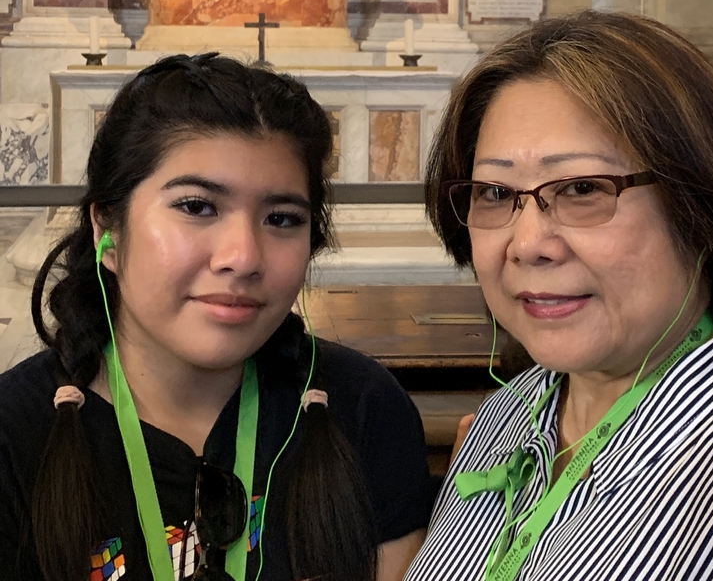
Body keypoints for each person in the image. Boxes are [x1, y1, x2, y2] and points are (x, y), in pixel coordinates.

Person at [0, 54, 434, 581]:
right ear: (106, 231)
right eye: (197, 207)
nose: (244, 257)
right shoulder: (16, 435)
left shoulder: (363, 409)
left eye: (281, 218)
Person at [406, 11, 713, 581]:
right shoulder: (509, 413)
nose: (527, 245)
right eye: (496, 192)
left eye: (582, 188)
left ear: (695, 202)